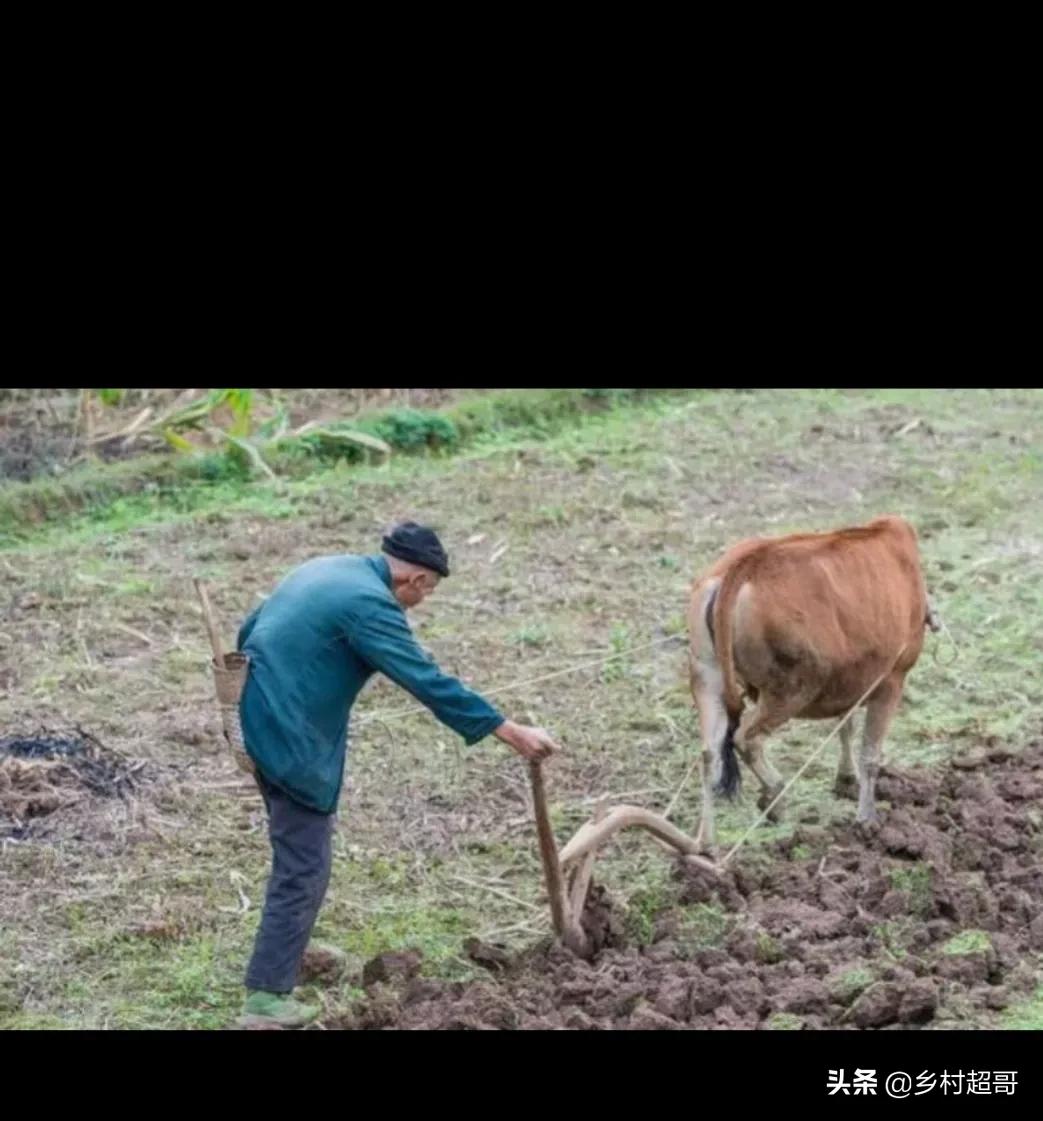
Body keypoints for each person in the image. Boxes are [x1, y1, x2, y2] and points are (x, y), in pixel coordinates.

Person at [235, 521, 560, 1028]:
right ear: (416, 579)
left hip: (256, 717)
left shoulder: (330, 568)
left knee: (297, 850)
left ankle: (287, 951)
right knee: (304, 863)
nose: (423, 600)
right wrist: (507, 729)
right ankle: (266, 999)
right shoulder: (371, 603)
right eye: (427, 589)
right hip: (290, 737)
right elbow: (423, 678)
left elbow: (250, 628)